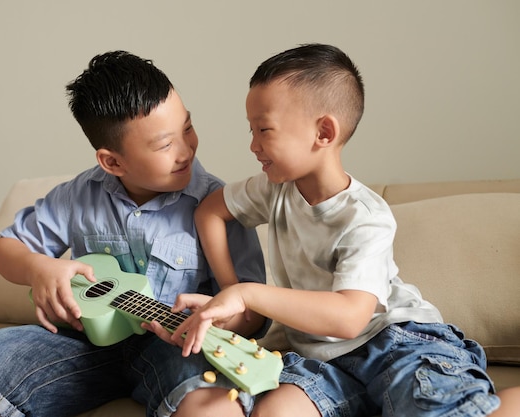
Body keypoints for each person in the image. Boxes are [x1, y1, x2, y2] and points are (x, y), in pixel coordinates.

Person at [170, 44, 520, 416]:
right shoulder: (274, 188)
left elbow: (349, 317)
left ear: (323, 131)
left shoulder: (367, 216)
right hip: (322, 361)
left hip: (395, 344)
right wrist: (232, 295)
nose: (253, 145)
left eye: (264, 130)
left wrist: (247, 294)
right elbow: (210, 211)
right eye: (251, 130)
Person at [0, 50, 268, 417]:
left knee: (211, 398)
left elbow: (254, 310)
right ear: (112, 161)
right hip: (84, 344)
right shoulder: (78, 195)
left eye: (187, 128)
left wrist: (224, 318)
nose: (186, 148)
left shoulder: (218, 204)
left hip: (176, 344)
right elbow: (5, 248)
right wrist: (38, 269)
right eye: (164, 144)